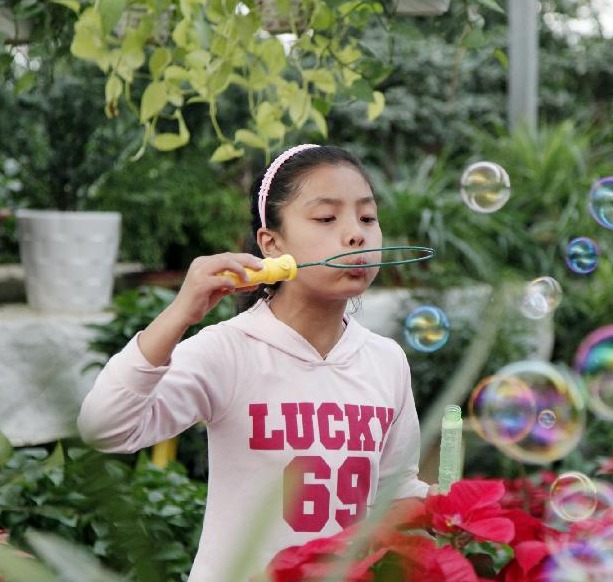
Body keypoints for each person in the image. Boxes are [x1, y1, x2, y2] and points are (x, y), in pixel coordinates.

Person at [77, 144, 431, 582]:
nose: (355, 234)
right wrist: (180, 313)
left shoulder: (386, 361)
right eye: (326, 218)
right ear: (272, 243)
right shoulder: (228, 351)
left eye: (367, 217)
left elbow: (395, 495)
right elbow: (104, 428)